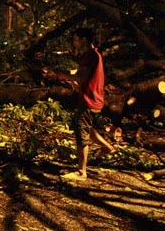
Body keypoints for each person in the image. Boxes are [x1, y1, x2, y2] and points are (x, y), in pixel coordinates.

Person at [43, 27, 115, 181]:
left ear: (83, 40)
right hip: (94, 99)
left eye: (75, 39)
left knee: (82, 135)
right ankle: (107, 147)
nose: (74, 42)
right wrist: (66, 78)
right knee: (87, 128)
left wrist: (59, 75)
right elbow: (84, 79)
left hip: (90, 100)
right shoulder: (93, 55)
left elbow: (81, 78)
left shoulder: (91, 56)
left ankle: (81, 172)